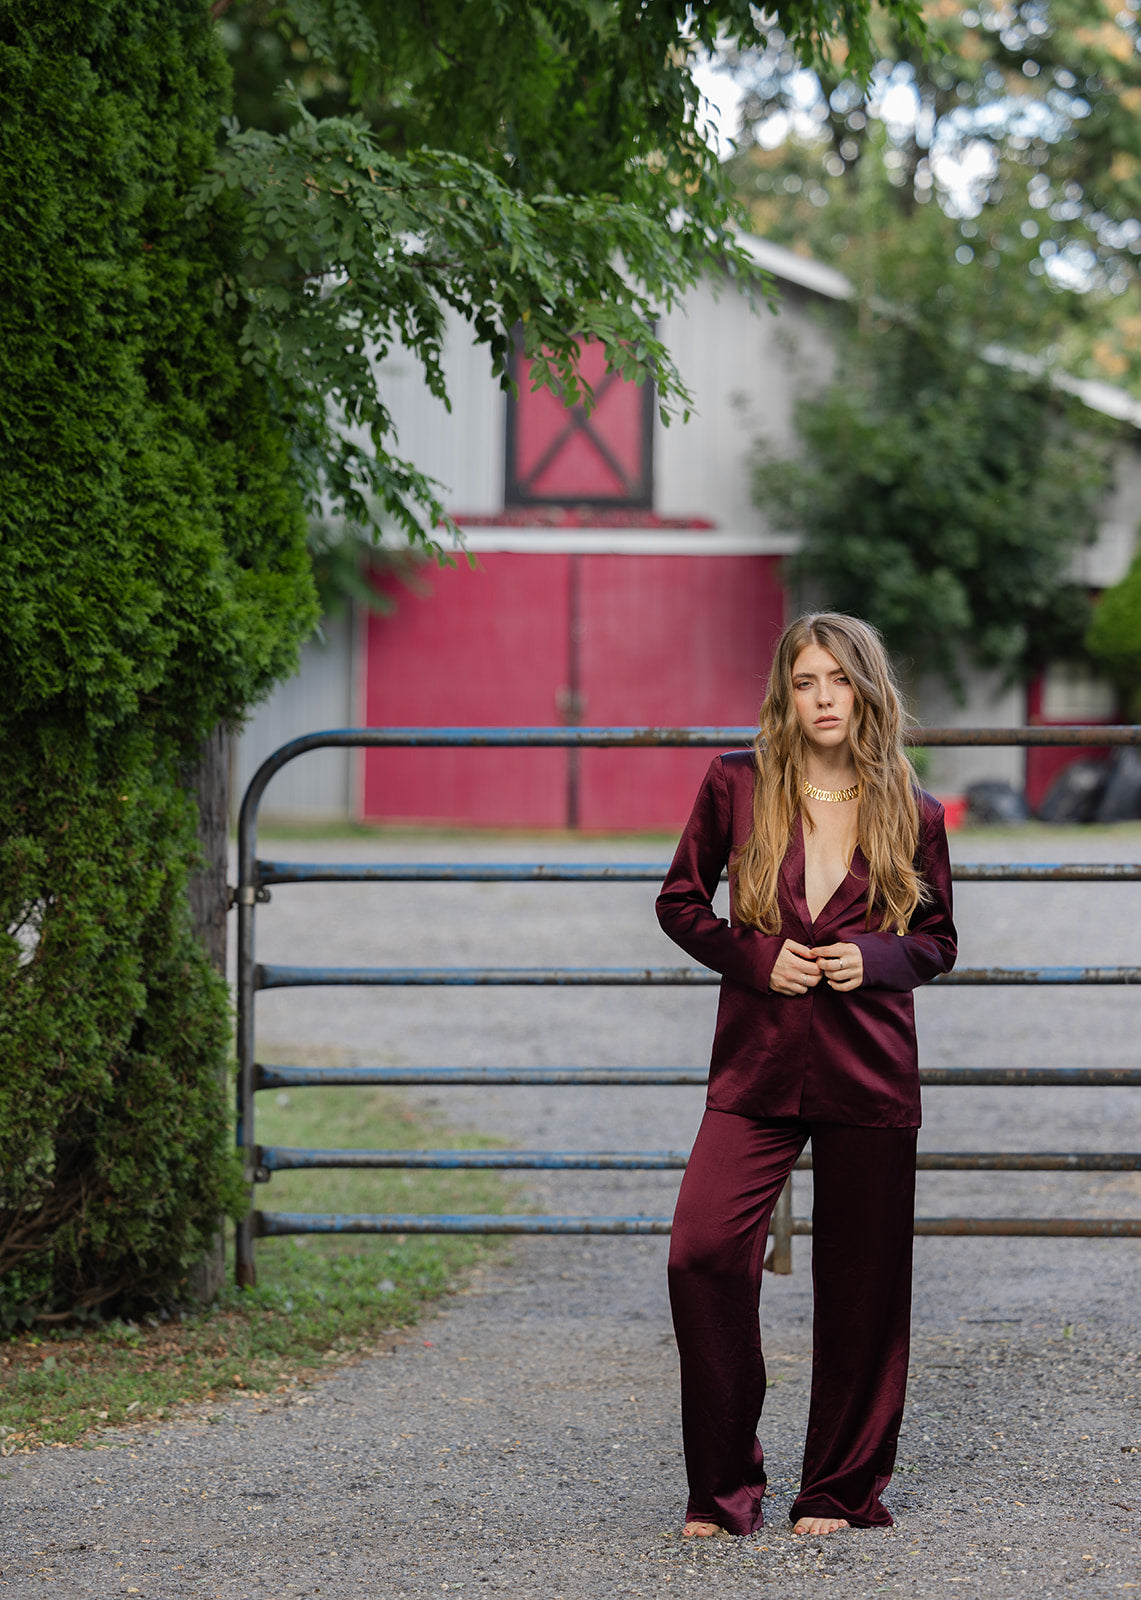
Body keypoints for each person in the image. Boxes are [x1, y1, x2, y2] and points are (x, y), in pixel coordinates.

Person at [656, 611, 956, 1540]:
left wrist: (876, 959)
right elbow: (677, 902)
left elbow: (938, 941)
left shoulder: (914, 805)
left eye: (838, 680)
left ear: (868, 689)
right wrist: (751, 957)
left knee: (863, 1288)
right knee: (700, 1254)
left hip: (868, 1071)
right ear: (783, 695)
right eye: (803, 681)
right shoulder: (734, 786)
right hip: (755, 1064)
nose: (822, 699)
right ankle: (723, 1488)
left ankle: (838, 1488)